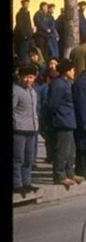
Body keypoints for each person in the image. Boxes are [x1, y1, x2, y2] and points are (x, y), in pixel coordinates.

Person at [46, 58, 85, 187]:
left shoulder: (66, 83)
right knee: (62, 150)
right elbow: (52, 104)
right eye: (72, 70)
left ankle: (70, 172)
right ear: (67, 71)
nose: (74, 72)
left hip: (68, 120)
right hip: (62, 121)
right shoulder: (59, 84)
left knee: (70, 150)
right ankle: (59, 175)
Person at [13, 64, 41, 196]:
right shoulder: (15, 90)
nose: (28, 80)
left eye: (31, 77)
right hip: (19, 129)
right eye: (25, 77)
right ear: (20, 76)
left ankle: (27, 182)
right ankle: (17, 184)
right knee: (18, 158)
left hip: (32, 129)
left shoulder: (33, 91)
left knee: (28, 158)